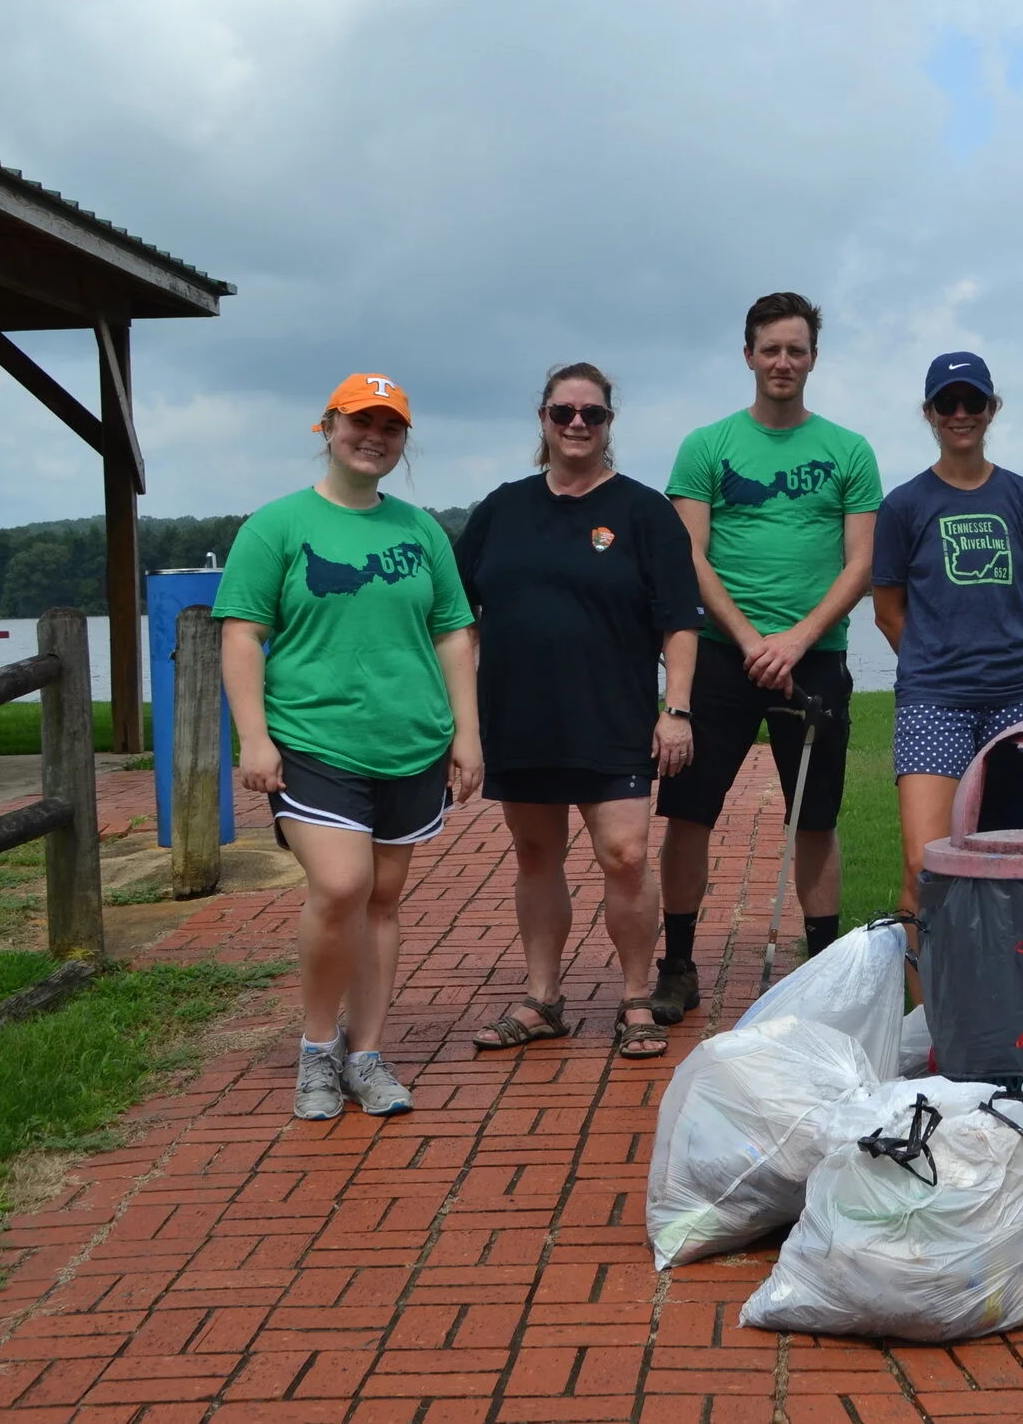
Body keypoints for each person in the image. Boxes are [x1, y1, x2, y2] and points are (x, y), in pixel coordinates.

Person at [217, 372, 481, 1121]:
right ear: (327, 427)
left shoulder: (420, 529)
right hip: (312, 739)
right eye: (359, 422)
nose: (374, 437)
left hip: (410, 741)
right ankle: (315, 1049)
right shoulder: (278, 526)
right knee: (339, 887)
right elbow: (241, 633)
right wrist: (254, 738)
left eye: (390, 427)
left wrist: (468, 732)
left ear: (403, 441)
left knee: (382, 899)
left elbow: (454, 634)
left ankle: (366, 1054)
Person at [454, 363, 703, 1059]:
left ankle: (633, 997)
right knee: (536, 854)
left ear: (608, 425)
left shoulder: (643, 511)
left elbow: (681, 620)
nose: (576, 424)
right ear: (542, 419)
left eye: (592, 414)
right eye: (564, 411)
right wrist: (461, 709)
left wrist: (675, 707)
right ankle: (543, 999)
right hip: (521, 717)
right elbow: (456, 615)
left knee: (624, 855)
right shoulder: (502, 509)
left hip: (615, 717)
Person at [650, 292, 881, 1022]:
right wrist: (752, 640)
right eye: (771, 348)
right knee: (688, 815)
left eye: (797, 349)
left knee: (815, 818)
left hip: (813, 658)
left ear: (814, 358)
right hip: (719, 657)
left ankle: (823, 967)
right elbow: (687, 553)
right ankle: (679, 963)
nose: (784, 361)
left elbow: (862, 562)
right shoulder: (707, 446)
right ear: (747, 354)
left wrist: (797, 639)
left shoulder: (849, 450)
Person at [873, 352, 1023, 916]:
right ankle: (929, 1007)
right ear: (929, 413)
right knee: (925, 867)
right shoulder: (903, 505)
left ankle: (1017, 997)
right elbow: (887, 611)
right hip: (935, 704)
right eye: (947, 403)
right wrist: (938, 665)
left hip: (1021, 699)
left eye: (972, 401)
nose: (961, 414)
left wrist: (1007, 661)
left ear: (992, 409)